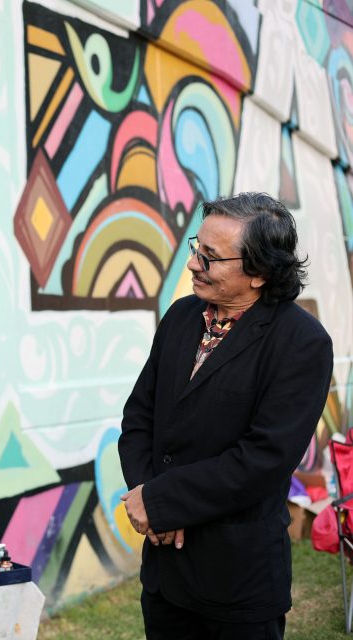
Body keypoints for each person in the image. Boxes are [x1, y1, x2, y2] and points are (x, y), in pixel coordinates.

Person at [118, 192, 333, 639]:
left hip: (236, 583)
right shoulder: (181, 317)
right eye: (197, 247)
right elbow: (139, 418)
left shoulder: (301, 342)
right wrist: (147, 497)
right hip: (165, 574)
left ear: (259, 272)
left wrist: (161, 504)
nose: (194, 263)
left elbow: (262, 460)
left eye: (210, 257)